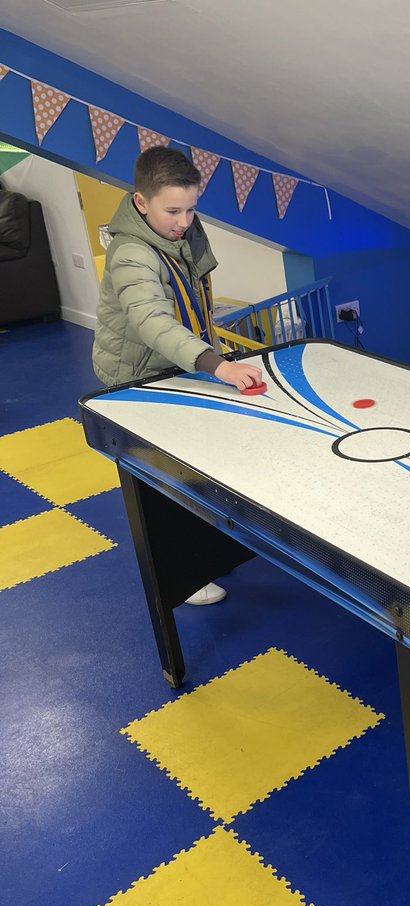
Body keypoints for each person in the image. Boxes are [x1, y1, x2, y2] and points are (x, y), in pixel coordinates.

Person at [92, 145, 262, 605]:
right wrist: (217, 364)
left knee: (202, 460)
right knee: (161, 479)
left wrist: (212, 354)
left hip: (173, 367)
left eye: (191, 209)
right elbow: (153, 321)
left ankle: (210, 542)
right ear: (141, 202)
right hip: (135, 376)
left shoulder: (180, 234)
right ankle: (182, 574)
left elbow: (193, 302)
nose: (184, 220)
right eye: (172, 210)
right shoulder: (130, 253)